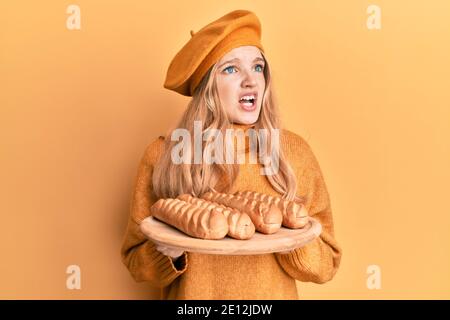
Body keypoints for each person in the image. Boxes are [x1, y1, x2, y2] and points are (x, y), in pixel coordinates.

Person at [120, 9, 342, 300]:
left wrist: (292, 241)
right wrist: (169, 253)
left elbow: (328, 263)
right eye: (231, 69)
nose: (251, 81)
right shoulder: (164, 155)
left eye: (258, 67)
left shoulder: (293, 153)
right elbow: (135, 262)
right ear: (208, 86)